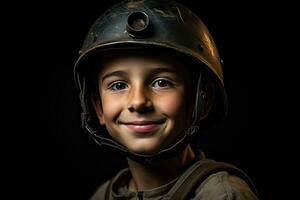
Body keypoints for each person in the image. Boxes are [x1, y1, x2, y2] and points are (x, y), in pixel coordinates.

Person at [73, 0, 260, 199]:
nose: (137, 102)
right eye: (118, 85)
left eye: (162, 82)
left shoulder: (222, 195)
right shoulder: (103, 195)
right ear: (98, 107)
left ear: (203, 101)